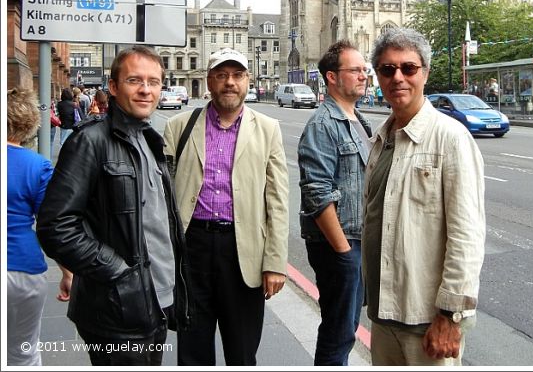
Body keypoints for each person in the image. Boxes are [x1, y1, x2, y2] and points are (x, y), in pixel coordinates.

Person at [37, 46, 192, 366]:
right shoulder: (89, 141)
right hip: (116, 308)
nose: (146, 89)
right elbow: (55, 226)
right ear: (113, 87)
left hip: (157, 300)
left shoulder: (150, 140)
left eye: (154, 81)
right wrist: (118, 272)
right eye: (135, 80)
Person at [362, 27, 486, 366]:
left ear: (425, 73)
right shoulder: (383, 138)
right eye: (387, 69)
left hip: (427, 321)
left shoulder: (450, 138)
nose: (398, 77)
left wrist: (450, 315)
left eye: (409, 68)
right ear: (378, 76)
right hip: (385, 315)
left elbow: (467, 235)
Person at [163, 47, 289, 366]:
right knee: (192, 351)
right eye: (221, 75)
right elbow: (162, 197)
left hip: (243, 250)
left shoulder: (268, 128)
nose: (229, 82)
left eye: (236, 75)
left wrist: (275, 262)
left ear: (247, 80)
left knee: (242, 351)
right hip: (193, 249)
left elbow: (277, 200)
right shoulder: (179, 126)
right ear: (209, 81)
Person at [298, 40, 373, 365]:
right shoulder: (322, 124)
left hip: (357, 242)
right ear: (332, 77)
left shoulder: (358, 120)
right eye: (355, 70)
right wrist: (344, 251)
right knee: (338, 333)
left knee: (346, 328)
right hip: (339, 245)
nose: (364, 76)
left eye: (364, 70)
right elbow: (317, 192)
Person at [7, 88, 72, 366]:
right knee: (24, 352)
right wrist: (68, 272)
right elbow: (52, 224)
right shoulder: (38, 166)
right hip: (23, 268)